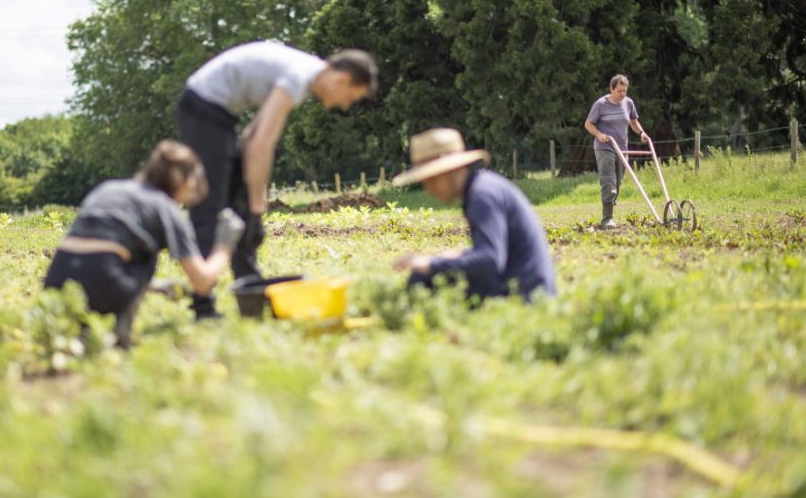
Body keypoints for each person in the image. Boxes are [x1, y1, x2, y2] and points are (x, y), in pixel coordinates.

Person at [176, 41, 378, 319]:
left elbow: (250, 138)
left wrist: (250, 202)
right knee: (210, 205)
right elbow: (261, 145)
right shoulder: (298, 77)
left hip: (219, 114)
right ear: (341, 78)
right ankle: (202, 304)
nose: (344, 106)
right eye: (350, 97)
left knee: (240, 203)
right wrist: (259, 205)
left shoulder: (303, 75)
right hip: (202, 108)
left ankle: (251, 290)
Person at [43, 140, 244, 348]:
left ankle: (80, 329)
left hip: (55, 287)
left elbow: (94, 252)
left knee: (127, 248)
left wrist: (154, 286)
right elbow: (202, 281)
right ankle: (121, 334)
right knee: (147, 251)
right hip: (104, 287)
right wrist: (225, 244)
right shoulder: (166, 208)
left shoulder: (109, 188)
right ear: (182, 179)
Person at [391, 128, 557, 301]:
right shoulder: (482, 187)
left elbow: (490, 260)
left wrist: (432, 264)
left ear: (449, 170)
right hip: (524, 283)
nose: (429, 190)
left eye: (431, 180)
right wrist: (459, 256)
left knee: (422, 278)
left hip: (526, 294)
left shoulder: (482, 196)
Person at [583, 74, 650, 229]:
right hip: (604, 147)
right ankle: (607, 219)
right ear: (611, 89)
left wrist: (641, 133)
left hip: (622, 148)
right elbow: (588, 124)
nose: (622, 94)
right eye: (619, 91)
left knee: (618, 182)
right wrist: (600, 135)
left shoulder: (628, 103)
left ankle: (610, 204)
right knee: (609, 181)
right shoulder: (600, 104)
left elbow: (633, 122)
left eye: (625, 91)